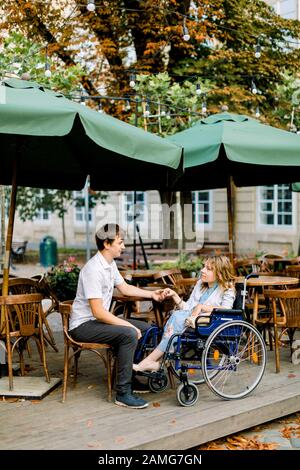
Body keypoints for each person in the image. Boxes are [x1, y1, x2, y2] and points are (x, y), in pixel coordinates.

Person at [69, 223, 166, 409]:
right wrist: (128, 326)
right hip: (83, 326)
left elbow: (125, 288)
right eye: (120, 242)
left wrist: (152, 294)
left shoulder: (109, 264)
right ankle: (123, 392)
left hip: (97, 321)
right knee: (129, 334)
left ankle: (129, 374)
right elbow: (97, 312)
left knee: (147, 329)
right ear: (107, 244)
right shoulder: (93, 270)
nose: (123, 246)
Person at [133, 255, 236, 372]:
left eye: (208, 268)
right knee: (175, 317)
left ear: (220, 273)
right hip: (191, 320)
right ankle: (160, 361)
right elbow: (188, 308)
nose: (202, 270)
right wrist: (174, 295)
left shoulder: (227, 289)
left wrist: (202, 307)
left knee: (177, 318)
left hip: (210, 323)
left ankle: (150, 361)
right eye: (204, 267)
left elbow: (227, 312)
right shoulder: (201, 285)